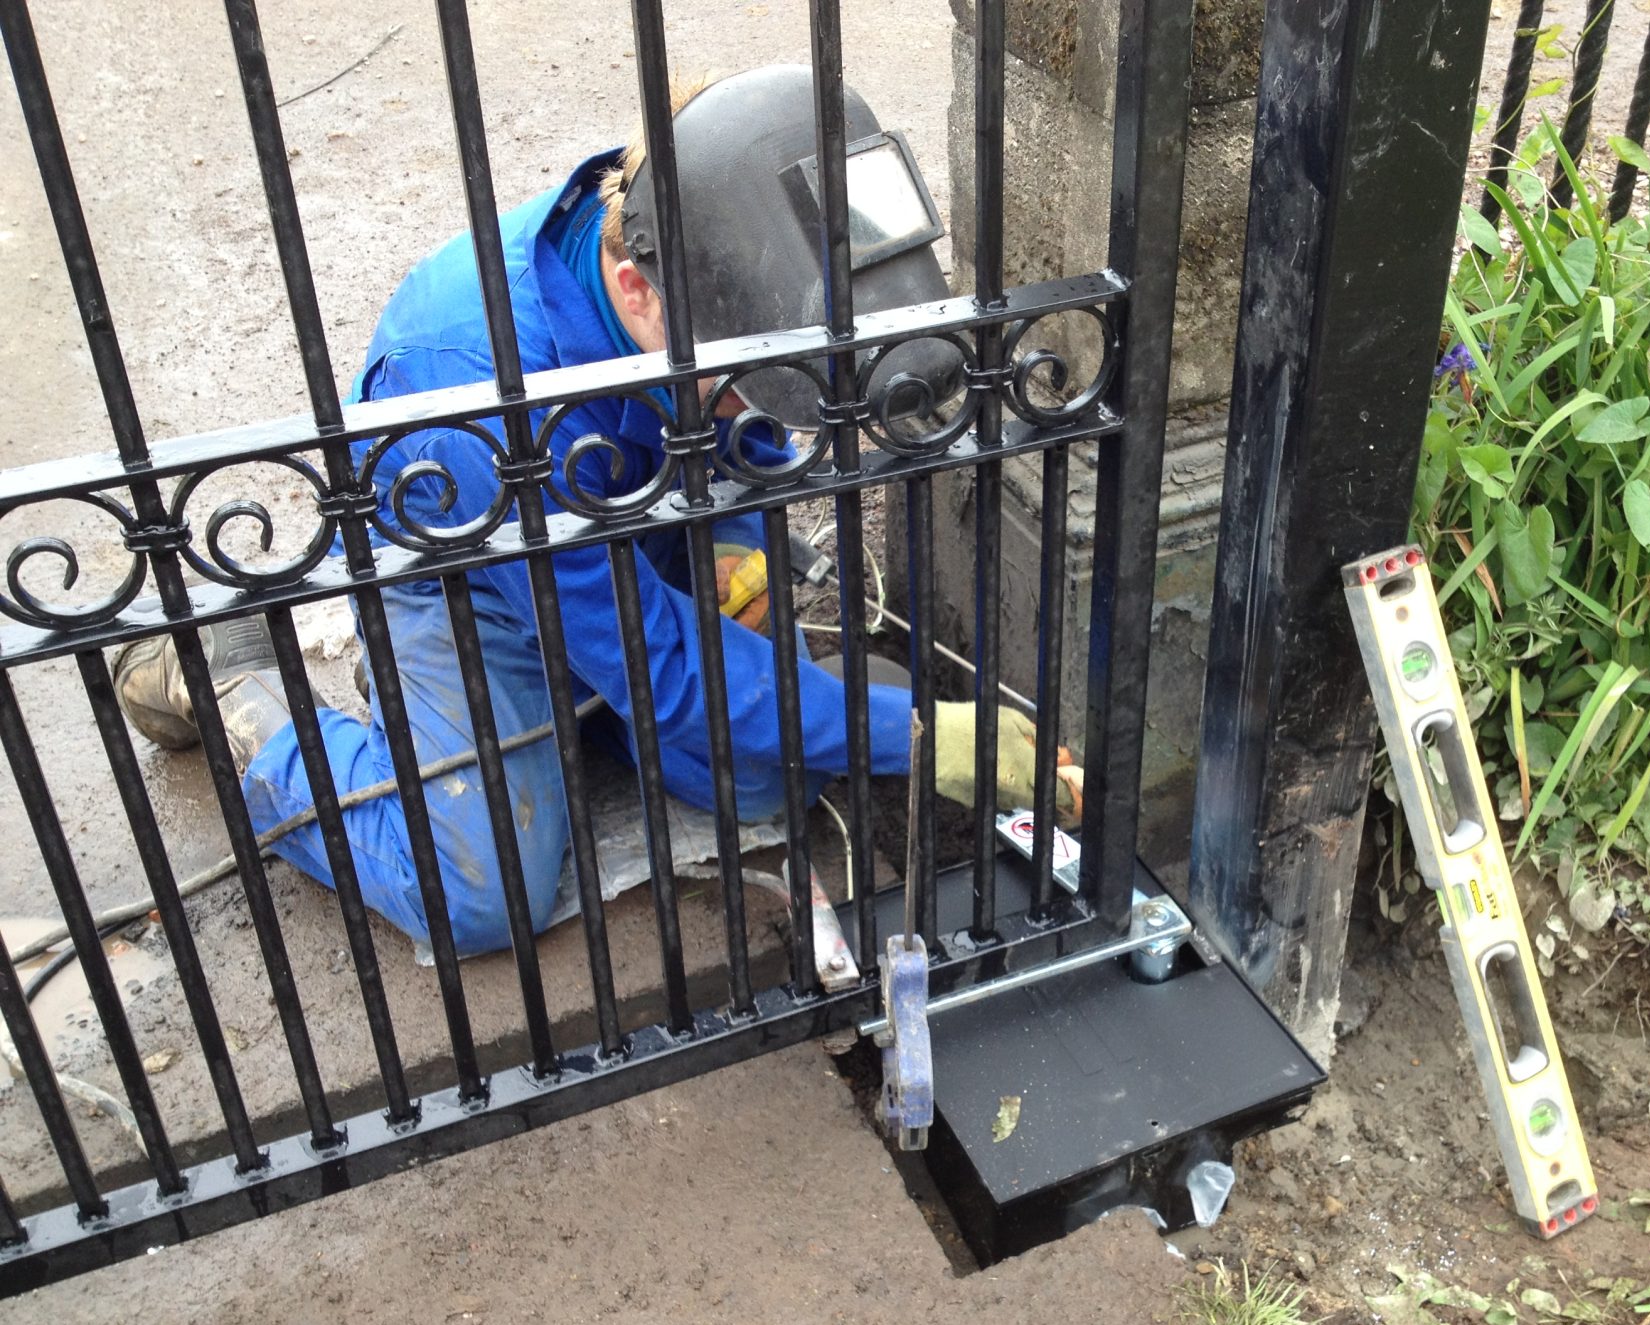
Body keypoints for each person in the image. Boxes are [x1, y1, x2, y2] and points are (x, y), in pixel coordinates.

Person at [111, 66, 1078, 955]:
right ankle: (241, 693)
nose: (753, 406)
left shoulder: (706, 263)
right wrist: (916, 733)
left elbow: (747, 437)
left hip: (629, 520)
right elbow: (662, 660)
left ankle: (585, 704)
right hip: (467, 571)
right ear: (631, 289)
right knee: (483, 895)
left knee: (761, 775)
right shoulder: (476, 389)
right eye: (745, 382)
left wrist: (736, 546)